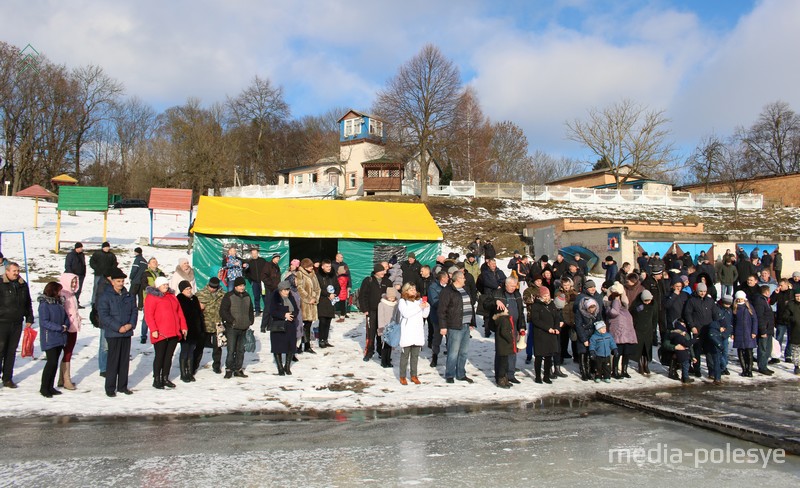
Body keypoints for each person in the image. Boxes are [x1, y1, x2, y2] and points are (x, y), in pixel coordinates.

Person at [96, 268, 137, 397]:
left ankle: (122, 386)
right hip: (114, 333)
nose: (121, 283)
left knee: (124, 360)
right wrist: (118, 327)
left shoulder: (128, 295)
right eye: (118, 281)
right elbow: (104, 315)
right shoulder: (105, 296)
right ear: (112, 282)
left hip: (127, 332)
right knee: (113, 360)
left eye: (122, 281)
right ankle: (110, 387)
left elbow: (134, 311)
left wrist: (131, 324)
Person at [145, 276, 187, 389]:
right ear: (158, 286)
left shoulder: (172, 297)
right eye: (164, 285)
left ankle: (165, 377)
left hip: (173, 331)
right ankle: (157, 378)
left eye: (167, 284)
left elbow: (179, 313)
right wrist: (153, 329)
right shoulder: (152, 297)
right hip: (160, 332)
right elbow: (149, 315)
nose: (166, 286)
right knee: (160, 356)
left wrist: (183, 326)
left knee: (168, 356)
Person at [0, 262, 34, 388]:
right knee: (0, 350)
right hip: (2, 322)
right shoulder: (1, 283)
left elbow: (28, 302)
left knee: (11, 351)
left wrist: (29, 317)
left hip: (17, 323)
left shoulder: (22, 284)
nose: (16, 273)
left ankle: (8, 378)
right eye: (14, 271)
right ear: (7, 271)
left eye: (18, 270)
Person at [438, 271, 475, 384]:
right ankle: (450, 374)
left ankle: (461, 373)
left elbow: (470, 306)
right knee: (453, 352)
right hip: (454, 326)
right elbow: (441, 310)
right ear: (457, 279)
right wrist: (443, 326)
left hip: (466, 325)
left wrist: (472, 322)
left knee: (463, 352)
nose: (465, 279)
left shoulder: (465, 290)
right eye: (463, 278)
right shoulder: (448, 291)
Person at [37, 282, 69, 398]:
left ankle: (50, 386)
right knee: (51, 362)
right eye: (59, 290)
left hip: (60, 337)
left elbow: (65, 317)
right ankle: (44, 387)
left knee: (55, 363)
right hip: (49, 337)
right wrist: (59, 328)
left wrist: (66, 325)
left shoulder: (59, 303)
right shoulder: (44, 305)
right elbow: (44, 322)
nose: (60, 293)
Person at [219, 276, 254, 378]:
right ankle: (229, 369)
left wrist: (250, 320)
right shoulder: (229, 296)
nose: (242, 287)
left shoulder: (247, 296)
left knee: (241, 350)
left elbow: (250, 310)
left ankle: (238, 369)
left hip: (244, 327)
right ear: (235, 286)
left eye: (243, 285)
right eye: (240, 286)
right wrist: (231, 321)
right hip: (232, 328)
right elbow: (223, 311)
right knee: (231, 350)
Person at [683, 282, 718, 378]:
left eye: (704, 291)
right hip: (697, 329)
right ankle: (697, 369)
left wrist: (716, 325)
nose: (703, 293)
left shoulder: (710, 301)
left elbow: (715, 313)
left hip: (708, 329)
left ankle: (711, 371)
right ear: (697, 291)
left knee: (709, 351)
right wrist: (692, 326)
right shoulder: (692, 301)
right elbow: (688, 314)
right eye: (701, 291)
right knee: (697, 351)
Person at [396, 283, 429, 384]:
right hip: (407, 331)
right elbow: (406, 314)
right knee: (405, 355)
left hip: (417, 331)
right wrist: (419, 307)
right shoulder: (402, 301)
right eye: (411, 290)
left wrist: (427, 307)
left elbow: (424, 315)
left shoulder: (418, 301)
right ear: (406, 291)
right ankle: (402, 376)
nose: (414, 291)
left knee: (415, 356)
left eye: (414, 289)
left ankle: (414, 375)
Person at [605, 283, 637, 379]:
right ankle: (614, 371)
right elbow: (613, 313)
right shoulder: (610, 303)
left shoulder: (623, 304)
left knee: (626, 353)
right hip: (618, 332)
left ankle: (624, 370)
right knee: (617, 353)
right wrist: (616, 301)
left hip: (627, 332)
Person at [530, 286, 560, 384]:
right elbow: (535, 320)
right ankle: (538, 376)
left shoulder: (552, 304)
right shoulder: (536, 306)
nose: (547, 297)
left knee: (548, 356)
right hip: (540, 334)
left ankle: (547, 376)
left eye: (548, 295)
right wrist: (548, 328)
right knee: (539, 356)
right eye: (545, 295)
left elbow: (557, 317)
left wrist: (557, 328)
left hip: (551, 334)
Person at [359, 264, 389, 361]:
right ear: (376, 271)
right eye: (381, 271)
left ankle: (381, 351)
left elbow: (391, 295)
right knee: (371, 332)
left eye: (384, 271)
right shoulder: (368, 281)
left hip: (383, 312)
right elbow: (363, 295)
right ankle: (369, 351)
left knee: (382, 332)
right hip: (371, 311)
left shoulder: (387, 281)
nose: (384, 273)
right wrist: (365, 309)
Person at [196, 277, 226, 374]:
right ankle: (194, 365)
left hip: (217, 324)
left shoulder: (222, 295)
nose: (212, 289)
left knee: (217, 347)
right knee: (199, 347)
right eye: (211, 287)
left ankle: (216, 365)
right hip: (204, 324)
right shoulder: (201, 294)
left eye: (215, 287)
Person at [268, 281, 298, 375]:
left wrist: (292, 315)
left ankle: (287, 366)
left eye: (288, 290)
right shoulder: (275, 298)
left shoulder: (291, 297)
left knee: (290, 346)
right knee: (278, 347)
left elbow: (296, 309)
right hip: (279, 325)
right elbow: (272, 311)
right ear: (280, 290)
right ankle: (280, 367)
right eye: (285, 290)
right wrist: (284, 315)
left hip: (290, 325)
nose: (286, 292)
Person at [58, 272, 81, 390]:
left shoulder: (72, 294)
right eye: (72, 282)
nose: (74, 284)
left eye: (75, 281)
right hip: (66, 327)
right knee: (67, 352)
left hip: (73, 326)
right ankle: (66, 379)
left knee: (69, 351)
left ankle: (62, 378)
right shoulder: (63, 294)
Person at [176, 280, 203, 382]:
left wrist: (200, 327)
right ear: (182, 290)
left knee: (191, 351)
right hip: (185, 329)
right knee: (185, 351)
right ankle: (183, 373)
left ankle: (190, 372)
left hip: (195, 329)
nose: (189, 290)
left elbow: (199, 313)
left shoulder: (194, 298)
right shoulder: (179, 299)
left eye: (189, 288)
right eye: (186, 289)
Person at [295, 258, 320, 354]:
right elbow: (299, 288)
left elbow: (317, 288)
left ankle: (307, 345)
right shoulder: (300, 274)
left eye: (311, 265)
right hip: (303, 304)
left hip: (312, 304)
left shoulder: (313, 274)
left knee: (308, 325)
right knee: (301, 325)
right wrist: (308, 298)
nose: (311, 267)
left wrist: (315, 298)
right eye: (309, 266)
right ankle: (299, 345)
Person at [631, 290, 657, 375]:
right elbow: (633, 316)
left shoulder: (653, 305)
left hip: (648, 329)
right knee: (640, 348)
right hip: (639, 329)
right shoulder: (637, 305)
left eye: (648, 300)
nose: (647, 302)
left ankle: (646, 364)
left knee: (647, 348)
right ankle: (640, 364)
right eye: (645, 301)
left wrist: (653, 328)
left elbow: (655, 317)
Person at [139, 258, 166, 344]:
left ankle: (160, 333)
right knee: (147, 317)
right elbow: (143, 285)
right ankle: (143, 336)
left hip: (160, 298)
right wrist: (153, 289)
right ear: (149, 264)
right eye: (153, 262)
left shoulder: (161, 273)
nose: (155, 263)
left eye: (156, 262)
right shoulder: (146, 273)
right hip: (148, 298)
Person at [732, 290, 757, 377]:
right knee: (740, 352)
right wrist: (732, 333)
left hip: (748, 332)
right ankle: (744, 369)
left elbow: (754, 319)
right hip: (738, 332)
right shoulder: (735, 308)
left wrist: (754, 331)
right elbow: (733, 322)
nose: (739, 300)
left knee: (749, 352)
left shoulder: (749, 307)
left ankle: (749, 370)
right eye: (738, 299)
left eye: (741, 299)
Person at [752, 285, 775, 375]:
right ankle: (762, 367)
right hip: (764, 330)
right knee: (763, 349)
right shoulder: (760, 301)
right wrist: (762, 330)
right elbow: (760, 317)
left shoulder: (765, 300)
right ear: (766, 292)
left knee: (768, 349)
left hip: (768, 329)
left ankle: (764, 365)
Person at [316, 259, 339, 348]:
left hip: (331, 301)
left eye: (330, 266)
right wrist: (327, 294)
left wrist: (335, 293)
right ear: (322, 267)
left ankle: (325, 339)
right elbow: (318, 289)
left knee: (328, 320)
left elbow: (337, 286)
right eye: (327, 266)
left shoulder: (333, 275)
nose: (329, 268)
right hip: (322, 300)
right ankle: (321, 339)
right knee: (322, 320)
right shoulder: (318, 276)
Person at [670, 320, 695, 384]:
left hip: (682, 354)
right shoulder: (679, 337)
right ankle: (685, 378)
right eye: (684, 332)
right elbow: (686, 343)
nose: (685, 334)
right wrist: (694, 340)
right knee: (685, 365)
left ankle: (684, 377)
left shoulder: (674, 336)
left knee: (685, 365)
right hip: (683, 354)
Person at [244, 248, 268, 316]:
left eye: (255, 253)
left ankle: (266, 310)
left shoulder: (262, 260)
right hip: (254, 282)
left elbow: (267, 270)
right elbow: (246, 272)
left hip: (262, 282)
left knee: (264, 296)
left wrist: (264, 278)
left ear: (258, 253)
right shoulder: (249, 262)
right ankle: (257, 310)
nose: (254, 255)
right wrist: (251, 278)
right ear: (251, 254)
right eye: (253, 254)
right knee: (256, 296)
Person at [782, 289, 800, 375]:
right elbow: (785, 316)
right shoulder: (791, 305)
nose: (798, 298)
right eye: (797, 296)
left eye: (799, 296)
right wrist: (792, 319)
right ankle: (797, 366)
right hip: (795, 331)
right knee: (795, 350)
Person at [262, 253, 282, 330]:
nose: (277, 260)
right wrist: (271, 285)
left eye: (278, 258)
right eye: (276, 258)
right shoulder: (268, 265)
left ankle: (270, 325)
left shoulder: (277, 267)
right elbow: (264, 277)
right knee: (267, 307)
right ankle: (263, 326)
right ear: (273, 258)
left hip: (275, 289)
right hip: (270, 289)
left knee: (273, 307)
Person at [64, 242, 87, 308]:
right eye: (80, 248)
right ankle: (70, 304)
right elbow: (67, 265)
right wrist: (71, 274)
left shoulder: (82, 255)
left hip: (81, 275)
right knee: (71, 290)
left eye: (82, 247)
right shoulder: (71, 255)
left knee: (78, 290)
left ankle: (76, 302)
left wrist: (84, 272)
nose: (81, 249)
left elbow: (83, 264)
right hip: (73, 275)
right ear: (77, 248)